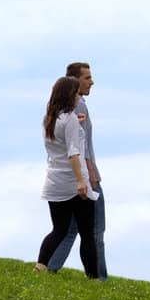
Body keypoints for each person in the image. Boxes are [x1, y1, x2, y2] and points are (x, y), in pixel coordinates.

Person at [34, 76, 101, 278]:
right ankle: (93, 276)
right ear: (69, 95)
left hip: (54, 181)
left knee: (59, 229)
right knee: (87, 233)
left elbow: (60, 143)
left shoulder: (50, 118)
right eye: (75, 94)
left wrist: (76, 125)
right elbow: (73, 152)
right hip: (73, 181)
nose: (77, 98)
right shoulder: (70, 119)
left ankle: (41, 266)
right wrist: (81, 181)